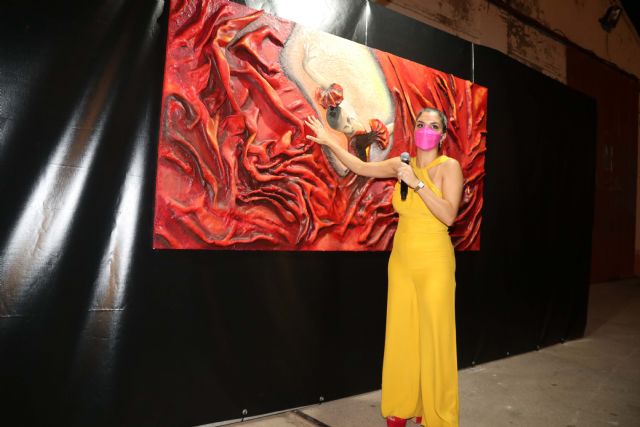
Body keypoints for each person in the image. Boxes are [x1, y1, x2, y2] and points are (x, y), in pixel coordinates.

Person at [305, 107, 463, 427]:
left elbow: (448, 215)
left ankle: (438, 415)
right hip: (401, 260)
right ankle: (402, 405)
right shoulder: (400, 164)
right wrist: (329, 141)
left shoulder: (449, 168)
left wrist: (417, 184)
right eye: (421, 124)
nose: (426, 130)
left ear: (443, 135)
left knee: (435, 338)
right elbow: (361, 167)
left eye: (434, 126)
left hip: (434, 262)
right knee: (402, 334)